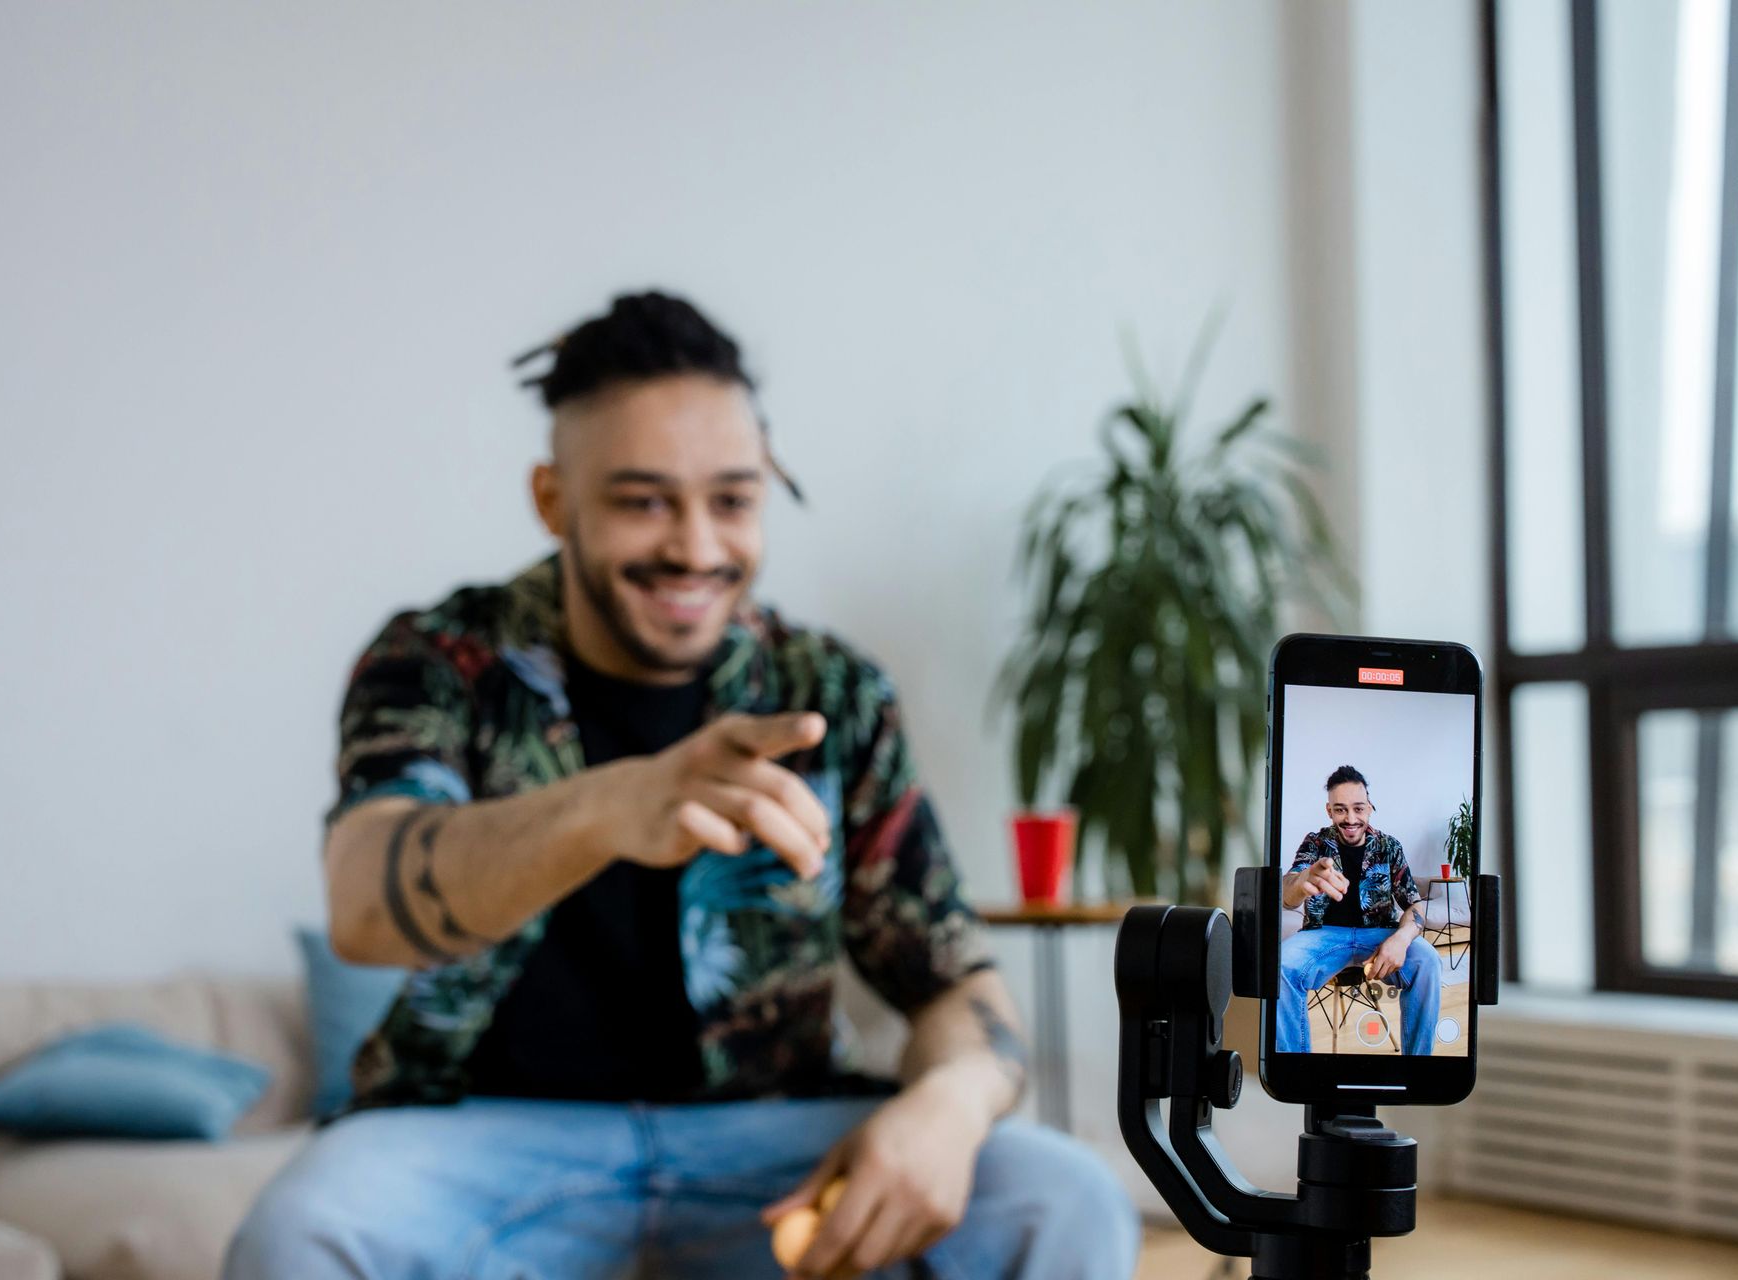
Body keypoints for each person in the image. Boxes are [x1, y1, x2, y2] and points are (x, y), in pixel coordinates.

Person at [225, 292, 1139, 1280]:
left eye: (734, 499)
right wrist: (605, 805)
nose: (697, 547)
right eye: (642, 500)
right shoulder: (439, 659)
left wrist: (951, 1104)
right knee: (304, 1229)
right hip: (484, 1141)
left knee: (1065, 1197)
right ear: (552, 498)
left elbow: (955, 980)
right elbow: (366, 903)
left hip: (768, 1144)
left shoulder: (827, 690)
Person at [1275, 765, 1440, 1055]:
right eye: (1340, 810)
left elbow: (1414, 904)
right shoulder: (1315, 843)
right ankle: (1296, 1070)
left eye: (1358, 809)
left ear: (1370, 807)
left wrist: (1401, 939)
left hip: (1380, 935)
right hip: (1323, 936)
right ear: (1329, 811)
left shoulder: (1389, 846)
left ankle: (1418, 1069)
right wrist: (1304, 880)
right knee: (1281, 967)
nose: (1350, 819)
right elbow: (1288, 896)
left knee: (1427, 961)